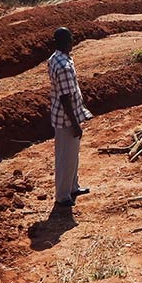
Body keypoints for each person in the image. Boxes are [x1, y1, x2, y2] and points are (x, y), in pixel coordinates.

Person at [47, 27, 93, 209]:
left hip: (61, 115)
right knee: (66, 157)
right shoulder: (64, 67)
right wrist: (75, 124)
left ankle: (72, 187)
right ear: (65, 42)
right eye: (71, 39)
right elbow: (65, 98)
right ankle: (62, 195)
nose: (73, 41)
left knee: (71, 155)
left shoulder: (55, 58)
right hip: (66, 119)